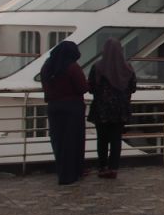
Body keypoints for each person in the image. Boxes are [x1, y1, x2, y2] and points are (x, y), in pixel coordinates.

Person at [40, 40, 89, 186]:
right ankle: (73, 173)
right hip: (72, 107)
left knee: (58, 141)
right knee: (73, 141)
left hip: (54, 106)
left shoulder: (47, 66)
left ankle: (63, 172)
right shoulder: (72, 67)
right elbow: (82, 88)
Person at [86, 38, 136, 179]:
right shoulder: (128, 68)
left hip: (101, 109)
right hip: (120, 109)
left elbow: (91, 87)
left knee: (102, 140)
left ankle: (102, 167)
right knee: (116, 139)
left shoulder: (97, 67)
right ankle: (113, 168)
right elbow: (133, 87)